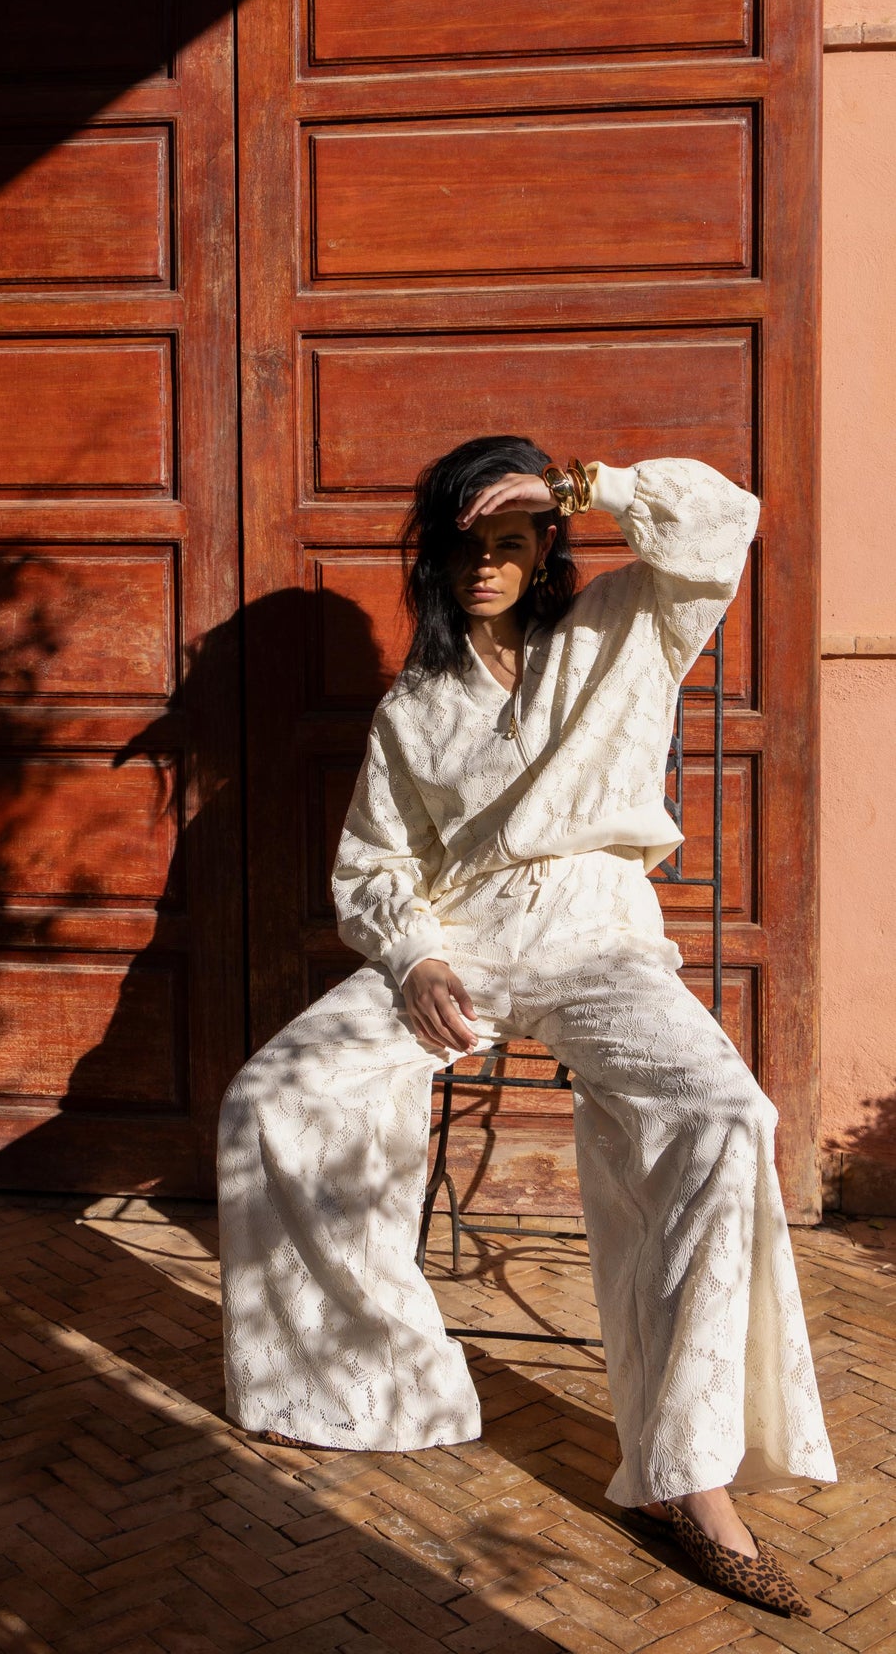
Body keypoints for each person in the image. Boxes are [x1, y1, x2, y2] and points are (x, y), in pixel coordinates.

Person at [217, 438, 835, 1618]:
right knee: (274, 1094)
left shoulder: (625, 623)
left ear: (546, 545)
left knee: (723, 1116)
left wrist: (590, 487)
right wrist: (413, 955)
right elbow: (374, 864)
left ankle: (686, 1474)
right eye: (465, 545)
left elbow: (722, 521)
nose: (485, 565)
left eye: (509, 541)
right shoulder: (413, 707)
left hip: (599, 933)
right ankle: (380, 1382)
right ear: (435, 558)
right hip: (462, 942)